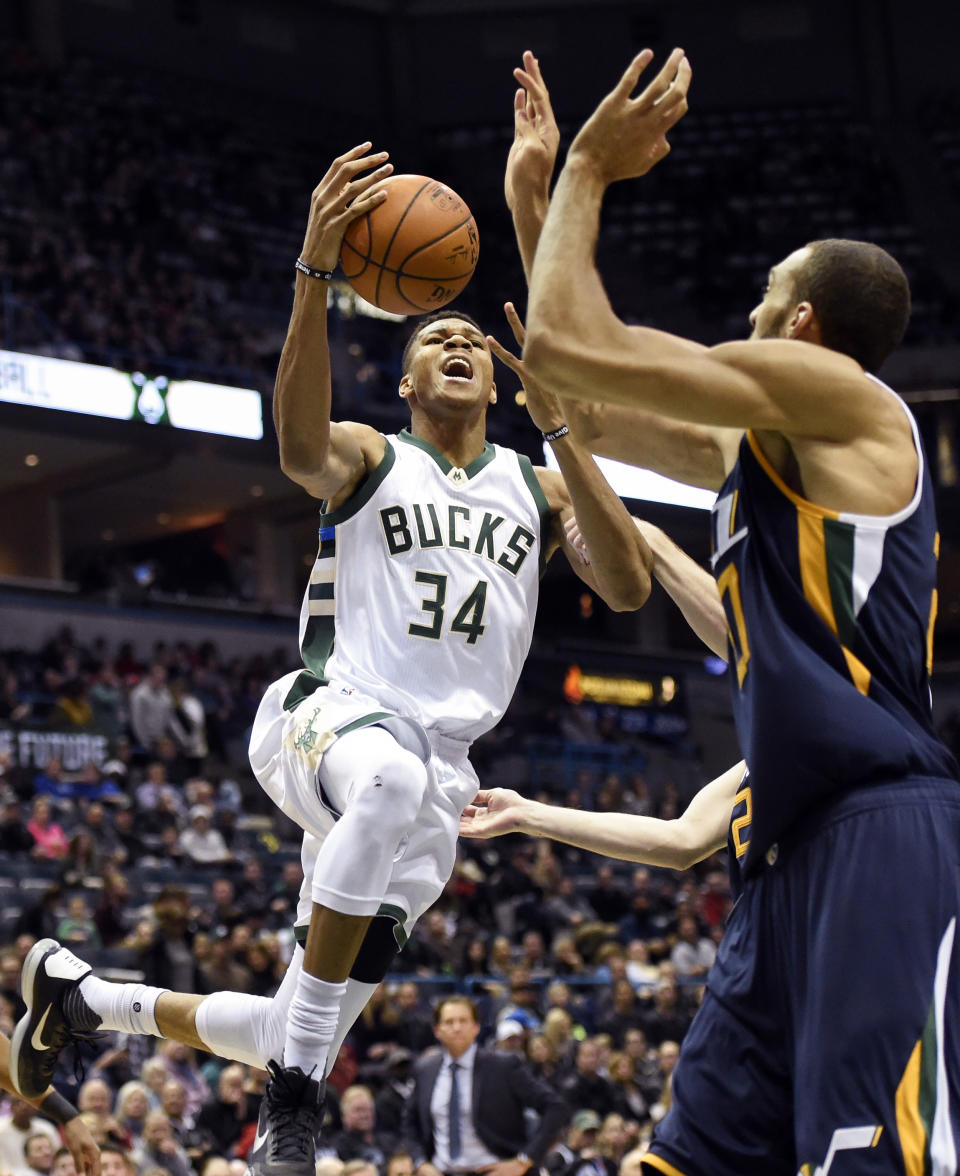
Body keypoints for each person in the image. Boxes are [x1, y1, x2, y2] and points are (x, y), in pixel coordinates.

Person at [13, 142, 654, 1176]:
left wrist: (565, 431)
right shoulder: (370, 452)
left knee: (291, 1016)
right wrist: (314, 276)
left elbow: (625, 586)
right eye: (435, 336)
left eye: (471, 339)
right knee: (387, 786)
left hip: (447, 771)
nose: (458, 343)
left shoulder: (535, 487)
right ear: (405, 377)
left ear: (496, 372)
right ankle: (298, 1102)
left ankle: (82, 996)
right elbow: (296, 449)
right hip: (329, 715)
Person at [513, 44, 960, 1176]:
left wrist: (587, 174)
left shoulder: (847, 399)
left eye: (764, 297)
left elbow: (577, 348)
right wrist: (534, 206)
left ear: (802, 323)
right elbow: (588, 404)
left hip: (875, 830)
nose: (748, 310)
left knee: (866, 1159)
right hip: (781, 860)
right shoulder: (758, 445)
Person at [402, 996, 568, 1176]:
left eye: (463, 1021)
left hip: (494, 1169)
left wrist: (525, 1160)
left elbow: (555, 1107)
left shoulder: (503, 1066)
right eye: (449, 1022)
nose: (456, 1028)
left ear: (476, 1027)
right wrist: (420, 1163)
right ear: (437, 1030)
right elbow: (409, 1122)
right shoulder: (425, 1069)